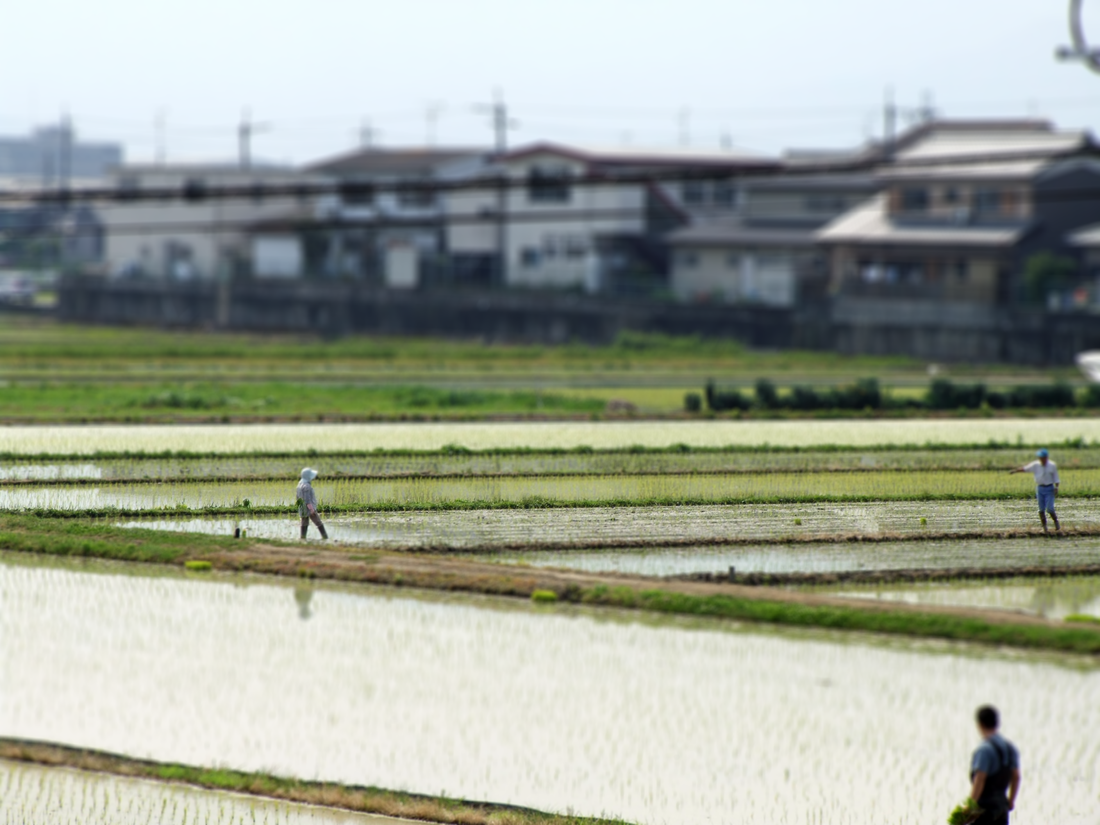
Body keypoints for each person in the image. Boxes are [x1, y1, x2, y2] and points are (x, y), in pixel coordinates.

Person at [968, 705, 1021, 824]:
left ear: (980, 724)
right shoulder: (1009, 748)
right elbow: (1016, 776)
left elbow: (980, 779)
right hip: (1002, 808)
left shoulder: (984, 750)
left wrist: (970, 805)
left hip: (985, 809)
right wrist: (1011, 801)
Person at [1008, 448, 1060, 532]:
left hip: (1049, 488)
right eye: (1040, 457)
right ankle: (1045, 528)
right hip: (1040, 488)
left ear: (1046, 457)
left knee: (1049, 508)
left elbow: (1056, 478)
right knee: (1041, 509)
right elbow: (1025, 469)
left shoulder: (1052, 465)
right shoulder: (1035, 465)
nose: (1042, 459)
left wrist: (1056, 487)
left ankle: (1056, 523)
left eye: (1043, 457)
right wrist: (1015, 471)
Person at [296, 467, 328, 540]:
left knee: (304, 523)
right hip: (309, 509)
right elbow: (307, 500)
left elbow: (298, 498)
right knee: (318, 523)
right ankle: (325, 537)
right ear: (308, 476)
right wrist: (311, 510)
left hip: (302, 508)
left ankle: (303, 538)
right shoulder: (307, 486)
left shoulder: (299, 485)